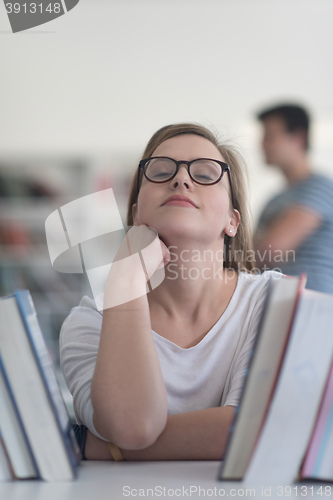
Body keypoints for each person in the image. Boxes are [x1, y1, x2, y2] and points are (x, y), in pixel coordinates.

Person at [60, 123, 278, 461]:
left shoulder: (274, 302)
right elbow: (134, 426)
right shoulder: (89, 323)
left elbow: (256, 430)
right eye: (161, 171)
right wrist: (124, 278)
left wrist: (97, 446)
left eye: (206, 174)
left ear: (232, 221)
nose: (181, 179)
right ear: (136, 213)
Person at [255, 103, 333, 294]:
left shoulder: (319, 186)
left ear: (298, 138)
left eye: (270, 136)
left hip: (313, 304)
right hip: (280, 303)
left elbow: (272, 249)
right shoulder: (274, 199)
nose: (262, 144)